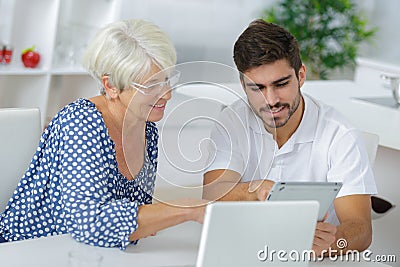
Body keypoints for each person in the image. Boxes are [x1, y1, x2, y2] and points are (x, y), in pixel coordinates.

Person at [0, 19, 205, 250]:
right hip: (27, 250)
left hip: (88, 253)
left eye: (168, 80)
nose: (167, 94)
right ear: (111, 86)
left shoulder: (146, 128)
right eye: (151, 86)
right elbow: (90, 223)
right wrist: (188, 209)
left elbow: (131, 224)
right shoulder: (81, 123)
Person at [203, 19, 377, 256]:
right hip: (244, 252)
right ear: (243, 86)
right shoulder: (231, 121)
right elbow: (212, 194)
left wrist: (330, 243)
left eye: (281, 84)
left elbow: (361, 229)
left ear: (301, 75)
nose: (271, 100)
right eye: (257, 88)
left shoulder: (339, 134)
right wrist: (255, 191)